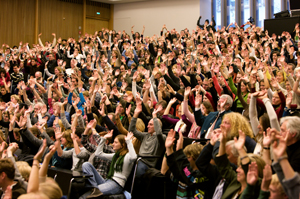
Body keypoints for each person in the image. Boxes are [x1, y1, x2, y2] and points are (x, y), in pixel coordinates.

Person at [81, 131, 136, 199]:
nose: (113, 144)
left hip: (116, 184)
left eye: (116, 142)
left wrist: (128, 141)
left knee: (85, 196)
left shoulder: (128, 157)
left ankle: (95, 190)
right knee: (86, 164)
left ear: (123, 145)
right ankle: (95, 188)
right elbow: (98, 154)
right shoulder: (115, 156)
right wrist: (104, 139)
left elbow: (134, 157)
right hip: (107, 180)